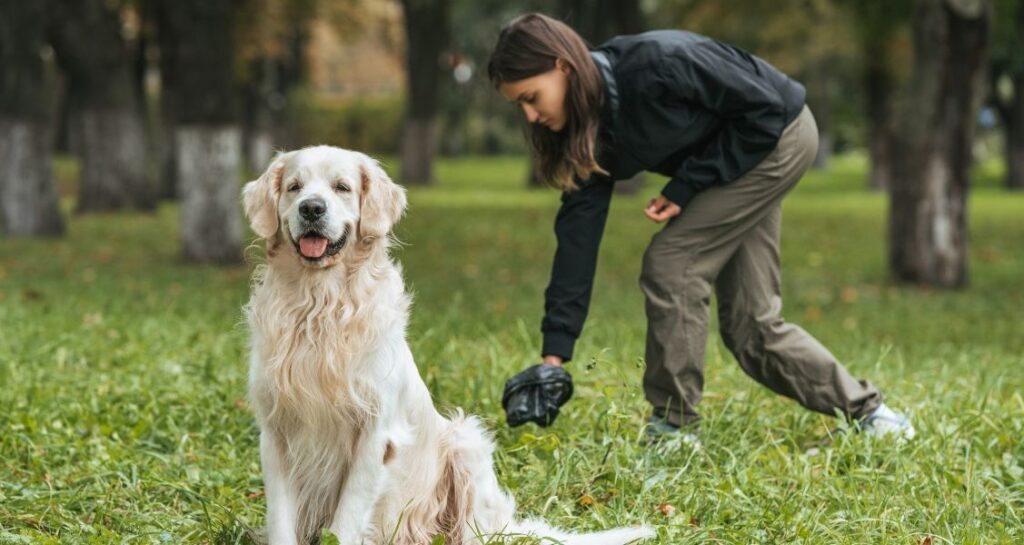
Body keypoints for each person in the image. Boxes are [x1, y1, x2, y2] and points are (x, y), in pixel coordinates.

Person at [488, 13, 914, 441]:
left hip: (778, 136)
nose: (529, 115)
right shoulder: (588, 130)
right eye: (518, 105)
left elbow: (764, 111)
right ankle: (874, 417)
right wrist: (553, 359)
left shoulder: (658, 65)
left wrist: (687, 185)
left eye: (531, 97)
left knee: (672, 263)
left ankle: (673, 429)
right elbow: (577, 240)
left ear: (562, 66)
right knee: (753, 327)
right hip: (740, 155)